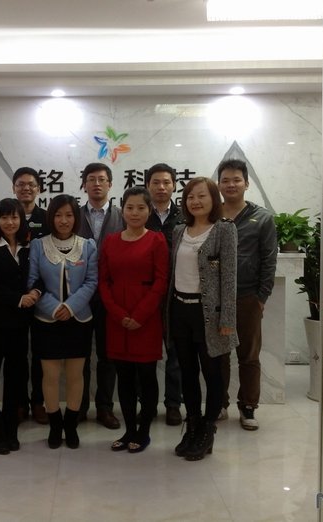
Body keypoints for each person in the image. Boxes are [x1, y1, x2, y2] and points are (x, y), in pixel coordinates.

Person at [169, 177, 238, 461]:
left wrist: (228, 319)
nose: (195, 201)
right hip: (179, 310)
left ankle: (208, 429)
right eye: (190, 197)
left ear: (214, 199)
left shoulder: (224, 230)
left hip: (208, 314)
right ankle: (193, 425)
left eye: (201, 196)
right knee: (187, 372)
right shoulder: (179, 231)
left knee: (212, 373)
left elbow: (229, 277)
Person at [99, 186, 168, 453]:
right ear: (122, 210)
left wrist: (139, 315)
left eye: (141, 208)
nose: (135, 213)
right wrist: (118, 314)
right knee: (124, 377)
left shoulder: (157, 240)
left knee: (147, 377)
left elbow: (161, 282)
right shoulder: (110, 241)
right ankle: (129, 430)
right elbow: (103, 282)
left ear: (149, 210)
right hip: (117, 320)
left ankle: (144, 431)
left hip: (146, 320)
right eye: (130, 207)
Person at [28, 195, 98, 449]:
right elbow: (32, 281)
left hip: (79, 319)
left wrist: (70, 306)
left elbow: (91, 281)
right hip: (46, 320)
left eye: (69, 215)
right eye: (58, 215)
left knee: (75, 374)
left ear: (75, 217)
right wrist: (55, 307)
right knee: (50, 375)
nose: (64, 220)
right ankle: (55, 426)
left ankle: (71, 424)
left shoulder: (88, 245)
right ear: (51, 217)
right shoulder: (38, 245)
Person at [217, 159, 278, 431]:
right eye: (225, 180)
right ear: (219, 184)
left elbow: (269, 260)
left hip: (247, 296)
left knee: (249, 356)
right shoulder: (211, 214)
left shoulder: (262, 218)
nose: (231, 184)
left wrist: (261, 297)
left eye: (236, 180)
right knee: (218, 355)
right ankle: (219, 403)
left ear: (246, 183)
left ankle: (248, 407)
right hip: (217, 299)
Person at [0, 198, 39, 455]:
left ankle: (11, 428)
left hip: (20, 325)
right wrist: (19, 299)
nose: (10, 222)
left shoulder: (29, 247)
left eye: (14, 217)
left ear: (21, 220)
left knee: (16, 379)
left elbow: (38, 276)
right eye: (4, 217)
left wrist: (36, 292)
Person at [77, 162, 125, 430]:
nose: (96, 184)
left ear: (110, 184)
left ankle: (105, 408)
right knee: (81, 355)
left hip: (110, 296)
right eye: (91, 179)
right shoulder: (73, 215)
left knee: (108, 355)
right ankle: (80, 406)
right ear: (84, 184)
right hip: (80, 295)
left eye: (102, 179)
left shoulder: (122, 215)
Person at [144, 162, 185, 426]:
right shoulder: (139, 213)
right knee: (145, 353)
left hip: (175, 293)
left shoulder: (185, 215)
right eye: (156, 182)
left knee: (175, 354)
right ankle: (147, 405)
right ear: (147, 185)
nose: (161, 187)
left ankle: (173, 405)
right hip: (145, 293)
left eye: (166, 182)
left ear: (174, 185)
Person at [12, 167, 50, 425]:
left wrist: (37, 290)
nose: (26, 188)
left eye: (31, 184)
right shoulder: (6, 215)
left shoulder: (46, 218)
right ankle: (19, 402)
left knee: (39, 354)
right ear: (13, 187)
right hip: (14, 297)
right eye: (21, 184)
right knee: (16, 354)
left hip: (40, 295)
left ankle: (38, 401)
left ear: (38, 188)